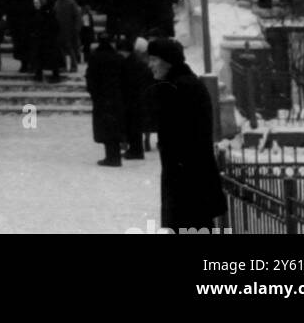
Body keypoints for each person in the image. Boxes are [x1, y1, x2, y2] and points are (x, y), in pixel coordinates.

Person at [146, 37, 227, 232]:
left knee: (191, 226)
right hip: (188, 179)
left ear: (168, 61)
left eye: (154, 60)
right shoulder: (180, 83)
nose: (151, 65)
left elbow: (186, 139)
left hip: (188, 182)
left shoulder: (180, 87)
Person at [85, 34, 126, 167]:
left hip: (102, 98)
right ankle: (115, 156)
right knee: (115, 127)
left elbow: (90, 78)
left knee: (105, 128)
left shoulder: (95, 58)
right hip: (117, 96)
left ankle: (111, 157)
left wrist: (93, 94)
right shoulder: (118, 58)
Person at [119, 35, 150, 161]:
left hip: (133, 98)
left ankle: (135, 151)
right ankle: (135, 149)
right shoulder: (137, 62)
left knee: (133, 126)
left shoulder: (132, 63)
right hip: (136, 98)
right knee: (134, 125)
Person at [30, 0, 64, 83]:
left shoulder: (48, 13)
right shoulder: (37, 12)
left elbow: (54, 26)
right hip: (40, 40)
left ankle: (55, 76)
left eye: (37, 3)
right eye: (34, 3)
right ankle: (38, 74)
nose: (35, 5)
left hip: (49, 41)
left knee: (51, 59)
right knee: (39, 58)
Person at [54, 0, 82, 74]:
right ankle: (63, 66)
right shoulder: (57, 3)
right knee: (61, 49)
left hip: (69, 30)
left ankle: (74, 66)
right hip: (60, 29)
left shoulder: (71, 3)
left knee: (70, 49)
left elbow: (77, 16)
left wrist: (77, 28)